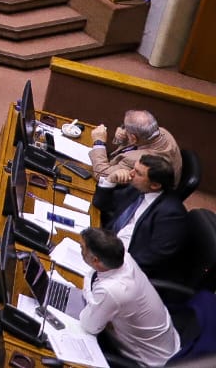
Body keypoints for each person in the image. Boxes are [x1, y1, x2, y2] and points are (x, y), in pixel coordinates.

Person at [75, 227, 179, 368]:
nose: (80, 250)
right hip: (165, 343)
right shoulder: (125, 258)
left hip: (149, 361)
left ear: (95, 260)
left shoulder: (112, 291)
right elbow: (91, 275)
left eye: (82, 248)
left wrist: (87, 291)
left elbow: (88, 326)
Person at [112, 154, 190, 284]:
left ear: (155, 185)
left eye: (138, 173)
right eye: (133, 168)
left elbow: (153, 259)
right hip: (109, 244)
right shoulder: (140, 188)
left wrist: (110, 261)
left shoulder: (171, 215)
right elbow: (104, 204)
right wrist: (109, 181)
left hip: (126, 269)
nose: (130, 174)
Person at [90, 109, 181, 193]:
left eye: (126, 128)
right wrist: (124, 138)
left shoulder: (138, 160)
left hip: (134, 195)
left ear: (133, 138)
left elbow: (101, 174)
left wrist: (99, 142)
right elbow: (135, 142)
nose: (123, 129)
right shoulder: (161, 132)